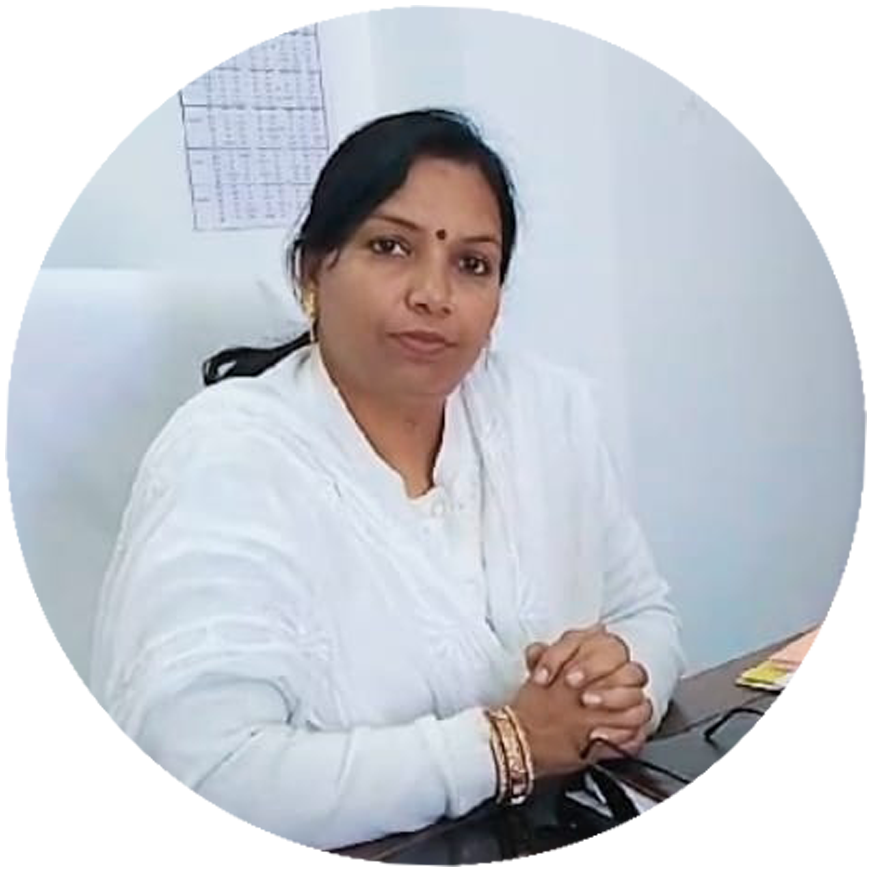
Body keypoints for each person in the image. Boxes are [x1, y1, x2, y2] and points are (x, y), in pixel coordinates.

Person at [88, 108, 685, 861]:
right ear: (313, 271)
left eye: (472, 264)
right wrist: (510, 744)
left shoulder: (545, 411)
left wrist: (619, 692)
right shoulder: (228, 457)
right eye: (391, 247)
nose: (433, 294)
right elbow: (209, 786)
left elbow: (644, 613)